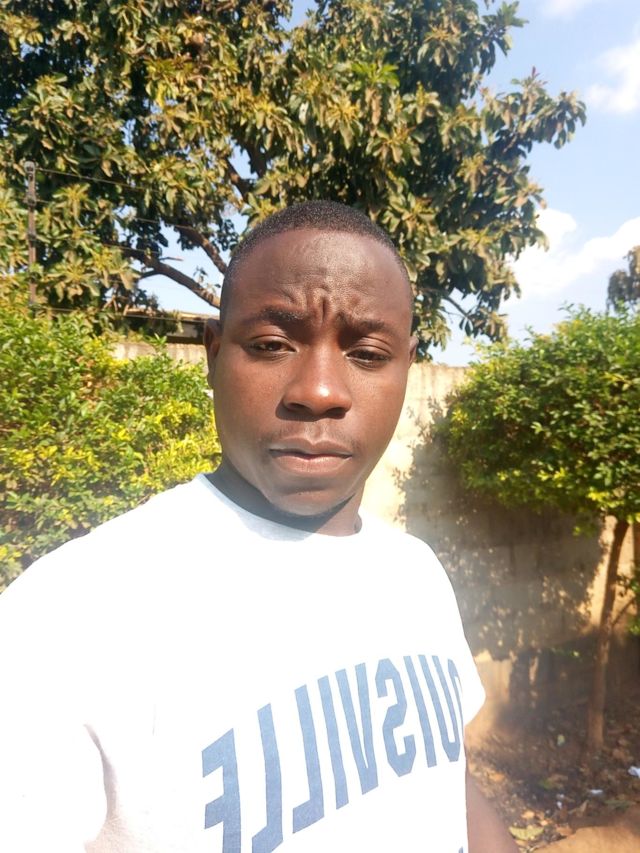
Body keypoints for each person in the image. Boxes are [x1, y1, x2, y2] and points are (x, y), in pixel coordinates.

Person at [0, 201, 515, 852]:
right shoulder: (70, 614)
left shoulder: (417, 573)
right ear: (215, 355)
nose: (319, 391)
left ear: (406, 369)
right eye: (271, 344)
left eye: (366, 352)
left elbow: (448, 783)